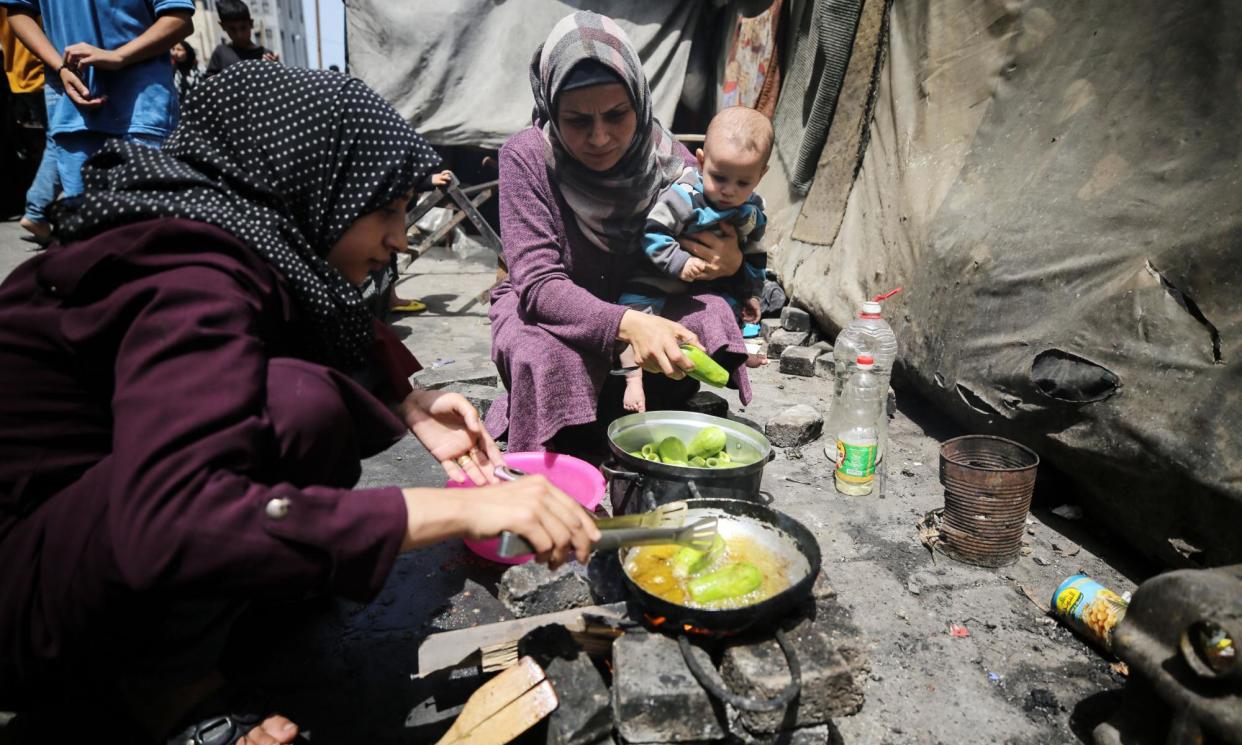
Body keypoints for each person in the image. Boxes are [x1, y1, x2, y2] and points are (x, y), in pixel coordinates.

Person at [0, 63, 599, 744]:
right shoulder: (192, 270)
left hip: (76, 546)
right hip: (24, 598)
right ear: (313, 181)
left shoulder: (233, 233)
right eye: (385, 209)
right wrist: (464, 506)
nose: (400, 239)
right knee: (294, 407)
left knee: (306, 397)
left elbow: (325, 332)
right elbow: (168, 515)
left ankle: (241, 615)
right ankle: (166, 694)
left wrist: (407, 400)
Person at [485, 11, 752, 456]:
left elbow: (715, 242)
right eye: (576, 120)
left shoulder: (670, 161)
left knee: (710, 316)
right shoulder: (526, 158)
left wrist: (731, 261)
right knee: (540, 352)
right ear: (551, 107)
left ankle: (649, 413)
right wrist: (629, 325)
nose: (600, 137)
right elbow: (538, 284)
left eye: (616, 114)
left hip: (642, 295)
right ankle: (564, 441)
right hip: (557, 313)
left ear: (640, 101)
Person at [616, 106, 773, 412]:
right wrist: (679, 262)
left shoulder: (753, 211)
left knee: (728, 309)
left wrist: (752, 292)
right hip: (655, 279)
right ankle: (632, 380)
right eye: (719, 177)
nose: (728, 191)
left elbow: (754, 252)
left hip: (704, 283)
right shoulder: (685, 195)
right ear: (701, 162)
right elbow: (653, 231)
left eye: (743, 183)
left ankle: (736, 354)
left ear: (760, 176)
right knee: (631, 318)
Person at [1, 0, 194, 199]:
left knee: (149, 220)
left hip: (142, 112)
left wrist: (119, 56)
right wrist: (60, 67)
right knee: (91, 221)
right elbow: (18, 13)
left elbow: (179, 19)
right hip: (74, 114)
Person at [0, 7, 59, 244]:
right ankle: (38, 209)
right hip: (43, 69)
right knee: (62, 139)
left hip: (21, 73)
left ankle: (39, 210)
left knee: (57, 138)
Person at [206, 0, 277, 76]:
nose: (239, 35)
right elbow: (209, 84)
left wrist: (274, 67)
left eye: (243, 28)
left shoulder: (266, 55)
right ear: (223, 26)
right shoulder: (220, 54)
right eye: (232, 29)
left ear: (251, 24)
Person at [170, 39, 204, 105]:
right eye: (173, 49)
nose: (175, 53)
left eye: (179, 50)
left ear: (187, 52)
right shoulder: (173, 70)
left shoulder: (199, 68)